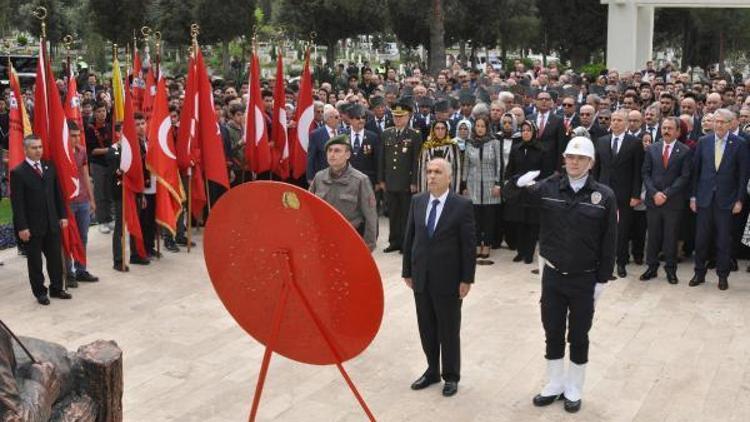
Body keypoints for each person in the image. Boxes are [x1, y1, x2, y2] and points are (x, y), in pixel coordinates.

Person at [516, 136, 616, 413]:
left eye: (580, 158)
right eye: (570, 157)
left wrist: (603, 279)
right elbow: (515, 202)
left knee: (580, 335)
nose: (574, 162)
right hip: (553, 274)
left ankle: (574, 387)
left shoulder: (604, 196)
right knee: (553, 330)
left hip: (585, 277)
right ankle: (555, 383)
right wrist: (519, 184)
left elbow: (609, 241)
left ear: (591, 163)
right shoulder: (549, 187)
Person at [402, 157, 476, 398]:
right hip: (421, 277)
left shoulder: (462, 205)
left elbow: (468, 246)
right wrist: (407, 271)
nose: (431, 176)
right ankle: (432, 370)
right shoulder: (418, 201)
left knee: (448, 330)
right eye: (429, 171)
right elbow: (410, 237)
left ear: (449, 177)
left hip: (449, 280)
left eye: (437, 172)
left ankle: (451, 376)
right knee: (427, 328)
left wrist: (467, 279)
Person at [10, 134, 73, 305]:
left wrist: (62, 215)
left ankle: (57, 288)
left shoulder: (49, 167)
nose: (38, 151)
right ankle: (40, 292)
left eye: (40, 147)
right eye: (34, 148)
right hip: (32, 227)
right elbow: (18, 203)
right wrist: (22, 227)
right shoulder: (18, 173)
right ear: (25, 150)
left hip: (52, 223)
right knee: (35, 262)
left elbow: (57, 194)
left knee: (55, 259)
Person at [690, 109, 749, 290]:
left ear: (731, 123)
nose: (719, 125)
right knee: (701, 239)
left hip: (727, 200)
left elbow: (743, 175)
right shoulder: (703, 141)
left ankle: (722, 276)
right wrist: (693, 196)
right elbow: (695, 172)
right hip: (704, 199)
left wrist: (739, 200)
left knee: (723, 240)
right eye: (717, 121)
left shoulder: (739, 143)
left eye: (723, 122)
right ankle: (699, 273)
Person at [640, 117, 693, 284]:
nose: (666, 131)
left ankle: (670, 270)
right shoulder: (652, 149)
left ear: (678, 132)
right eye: (664, 128)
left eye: (670, 128)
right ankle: (652, 267)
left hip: (673, 202)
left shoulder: (684, 151)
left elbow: (684, 177)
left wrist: (666, 194)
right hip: (653, 201)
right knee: (653, 236)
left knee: (671, 237)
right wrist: (655, 193)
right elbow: (645, 173)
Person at [593, 109, 644, 278]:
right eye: (613, 120)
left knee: (621, 231)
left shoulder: (634, 143)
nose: (614, 123)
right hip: (602, 193)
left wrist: (636, 195)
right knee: (601, 229)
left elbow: (638, 172)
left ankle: (621, 262)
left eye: (619, 120)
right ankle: (601, 262)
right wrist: (593, 189)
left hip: (624, 195)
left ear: (626, 123)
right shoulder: (601, 141)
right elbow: (596, 169)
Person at [310, 135, 377, 251]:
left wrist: (368, 247)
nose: (332, 154)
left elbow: (370, 217)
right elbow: (309, 209)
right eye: (329, 151)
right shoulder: (319, 177)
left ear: (347, 155)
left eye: (337, 151)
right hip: (323, 239)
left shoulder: (360, 180)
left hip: (349, 240)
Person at [377, 99, 422, 253]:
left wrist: (414, 181)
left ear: (408, 117)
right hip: (390, 181)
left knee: (406, 214)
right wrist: (381, 179)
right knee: (393, 213)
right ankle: (394, 241)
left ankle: (405, 243)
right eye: (395, 116)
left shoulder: (414, 135)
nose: (397, 119)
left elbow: (416, 161)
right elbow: (381, 158)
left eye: (400, 116)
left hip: (406, 181)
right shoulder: (386, 133)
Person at [504, 120, 547, 266]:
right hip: (519, 191)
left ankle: (529, 253)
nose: (525, 133)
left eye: (528, 130)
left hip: (534, 191)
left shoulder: (541, 149)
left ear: (534, 132)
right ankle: (520, 251)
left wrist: (537, 183)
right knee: (520, 222)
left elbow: (545, 172)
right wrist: (512, 181)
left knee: (532, 223)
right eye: (523, 130)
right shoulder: (516, 148)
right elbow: (510, 169)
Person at [461, 115, 503, 263]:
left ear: (487, 127)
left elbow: (499, 164)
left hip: (491, 184)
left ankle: (488, 245)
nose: (480, 129)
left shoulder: (494, 143)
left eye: (482, 126)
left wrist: (498, 183)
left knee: (489, 218)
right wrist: (464, 184)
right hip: (473, 184)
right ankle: (478, 244)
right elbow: (466, 165)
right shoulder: (469, 143)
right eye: (477, 126)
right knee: (475, 218)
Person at [64, 121, 99, 285]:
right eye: (73, 136)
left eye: (78, 135)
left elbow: (86, 175)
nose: (76, 139)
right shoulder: (61, 152)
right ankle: (68, 272)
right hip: (67, 202)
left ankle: (81, 269)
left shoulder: (82, 151)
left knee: (82, 237)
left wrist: (92, 199)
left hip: (83, 200)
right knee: (67, 239)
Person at [416, 121, 461, 192]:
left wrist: (456, 191)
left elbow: (457, 169)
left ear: (446, 131)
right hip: (430, 187)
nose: (440, 131)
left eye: (443, 129)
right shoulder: (426, 147)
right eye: (437, 128)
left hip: (448, 187)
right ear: (433, 131)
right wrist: (422, 192)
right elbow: (421, 169)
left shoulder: (453, 147)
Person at [306, 106, 340, 184]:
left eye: (339, 117)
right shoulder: (316, 134)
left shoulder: (343, 132)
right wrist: (310, 177)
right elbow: (311, 157)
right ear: (328, 119)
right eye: (336, 117)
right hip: (323, 176)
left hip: (340, 176)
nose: (339, 119)